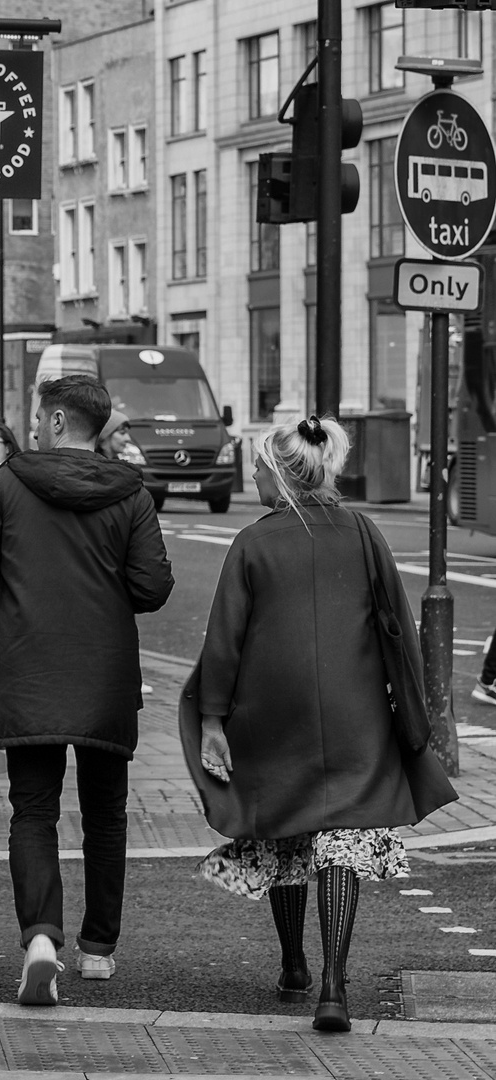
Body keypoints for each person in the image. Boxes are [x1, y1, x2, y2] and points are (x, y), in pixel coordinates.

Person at [186, 416, 457, 1033]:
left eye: (257, 466)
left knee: (287, 825)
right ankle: (334, 984)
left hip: (274, 715)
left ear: (280, 475)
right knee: (344, 833)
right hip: (355, 713)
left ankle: (293, 963)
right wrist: (414, 710)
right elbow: (395, 622)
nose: (252, 474)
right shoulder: (362, 532)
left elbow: (223, 642)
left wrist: (212, 721)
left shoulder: (253, 543)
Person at [0, 374, 174, 1006]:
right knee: (106, 815)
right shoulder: (130, 494)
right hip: (104, 675)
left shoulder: (6, 487)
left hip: (25, 673)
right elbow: (153, 588)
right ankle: (98, 949)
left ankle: (41, 938)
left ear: (50, 422)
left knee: (34, 810)